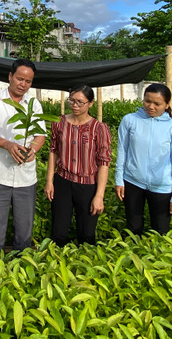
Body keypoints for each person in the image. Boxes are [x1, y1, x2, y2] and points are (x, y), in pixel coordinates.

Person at [0, 58, 46, 256]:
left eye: (28, 81)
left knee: (24, 228)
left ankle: (21, 267)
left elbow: (40, 135)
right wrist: (7, 145)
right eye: (20, 79)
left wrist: (32, 150)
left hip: (26, 178)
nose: (23, 84)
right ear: (10, 76)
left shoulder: (33, 104)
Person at [114, 83, 172, 236]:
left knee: (160, 232)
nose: (151, 106)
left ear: (167, 105)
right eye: (147, 101)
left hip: (162, 186)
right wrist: (119, 179)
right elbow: (122, 152)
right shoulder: (129, 121)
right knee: (133, 229)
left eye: (157, 103)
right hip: (132, 182)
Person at [45, 84, 111, 246]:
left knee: (87, 233)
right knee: (58, 230)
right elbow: (53, 151)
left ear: (91, 103)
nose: (75, 105)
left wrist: (99, 195)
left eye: (80, 102)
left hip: (88, 185)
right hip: (63, 182)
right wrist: (49, 181)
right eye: (72, 101)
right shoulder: (59, 122)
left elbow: (103, 162)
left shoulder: (99, 128)